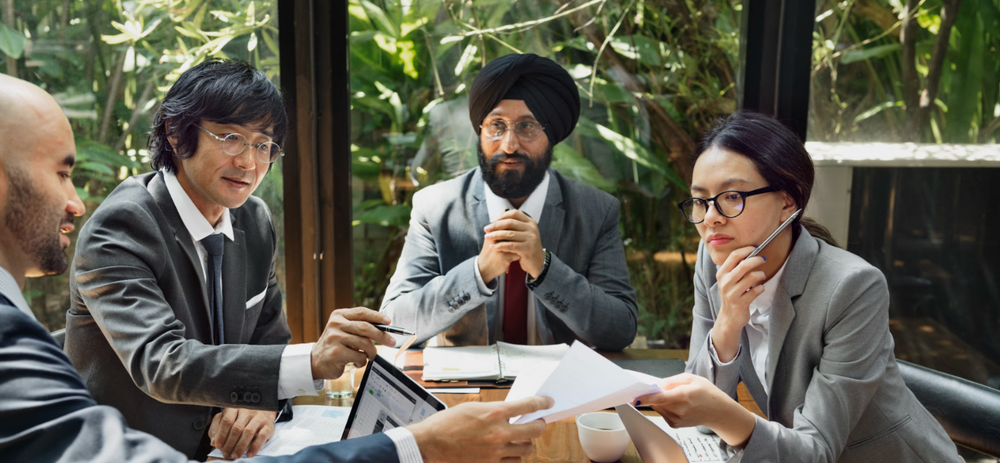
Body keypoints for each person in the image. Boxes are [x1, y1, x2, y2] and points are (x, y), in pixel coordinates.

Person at [0, 72, 552, 463]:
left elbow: (269, 339)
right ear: (176, 134)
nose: (250, 161)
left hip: (236, 449)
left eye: (265, 145)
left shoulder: (253, 220)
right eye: (230, 137)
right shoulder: (123, 225)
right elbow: (162, 364)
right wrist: (311, 360)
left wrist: (262, 403)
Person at [633, 112, 961, 462]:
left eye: (731, 196)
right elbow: (701, 419)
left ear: (788, 201)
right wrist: (728, 324)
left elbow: (816, 451)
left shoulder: (852, 287)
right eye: (700, 199)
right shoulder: (714, 257)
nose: (711, 217)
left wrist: (722, 414)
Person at [381, 53, 638, 351]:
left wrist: (544, 269)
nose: (509, 145)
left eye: (527, 126)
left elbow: (620, 330)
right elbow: (394, 327)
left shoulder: (595, 211)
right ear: (479, 131)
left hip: (561, 389)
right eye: (496, 126)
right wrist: (479, 272)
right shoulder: (435, 208)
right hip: (464, 391)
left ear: (550, 135)